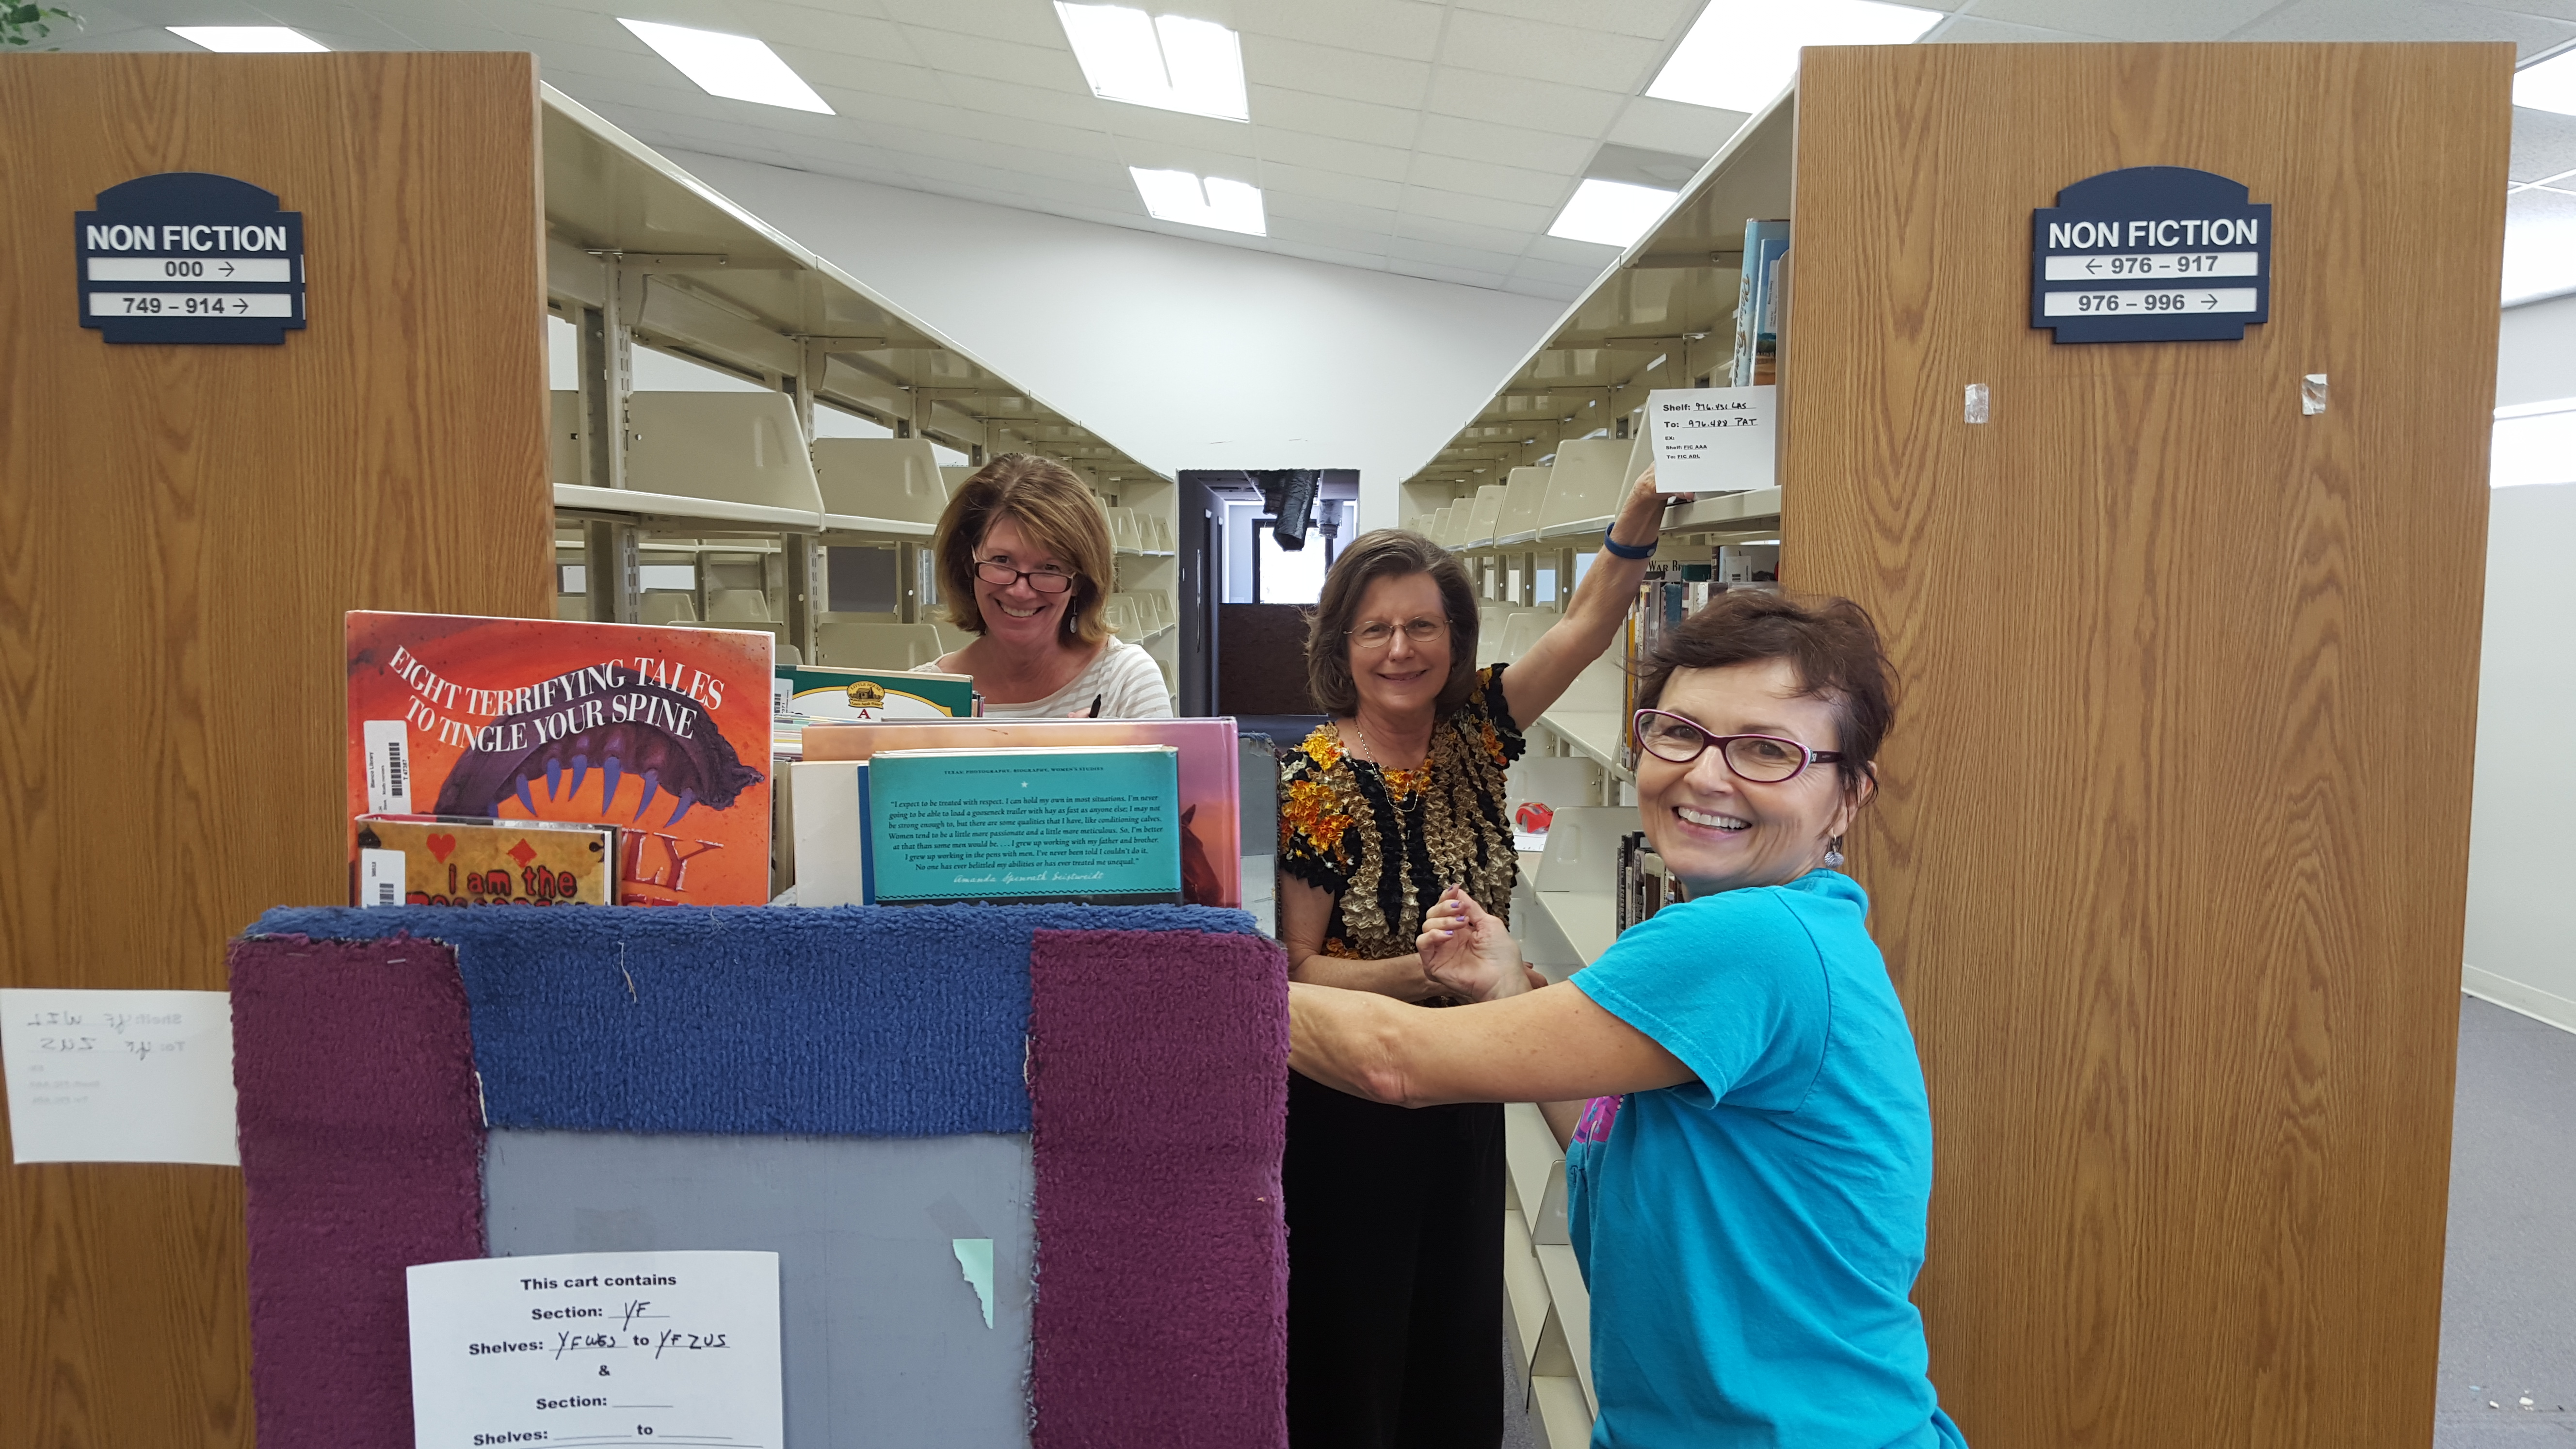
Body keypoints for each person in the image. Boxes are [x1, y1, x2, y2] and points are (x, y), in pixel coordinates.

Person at [1285, 590, 1968, 1449]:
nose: (1705, 775)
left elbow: (1396, 1061)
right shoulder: (1798, 921)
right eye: (1678, 732)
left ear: (1847, 797)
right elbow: (1606, 1139)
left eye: (1766, 750)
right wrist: (1506, 991)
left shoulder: (1748, 938)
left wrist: (1202, 984)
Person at [1274, 467, 1671, 1448]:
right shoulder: (1313, 785)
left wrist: (1637, 516)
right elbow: (1292, 976)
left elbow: (1583, 629)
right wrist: (1419, 971)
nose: (1401, 649)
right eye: (1376, 629)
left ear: (1455, 638)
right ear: (1342, 646)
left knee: (1453, 1312)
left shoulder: (1478, 732)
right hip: (1352, 1097)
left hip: (1470, 1077)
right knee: (1355, 1325)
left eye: (1423, 626)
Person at [919, 452, 1171, 719]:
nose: (1021, 591)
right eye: (1001, 560)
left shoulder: (1125, 681)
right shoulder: (921, 693)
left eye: (1050, 568)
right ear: (968, 564)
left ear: (1079, 581)